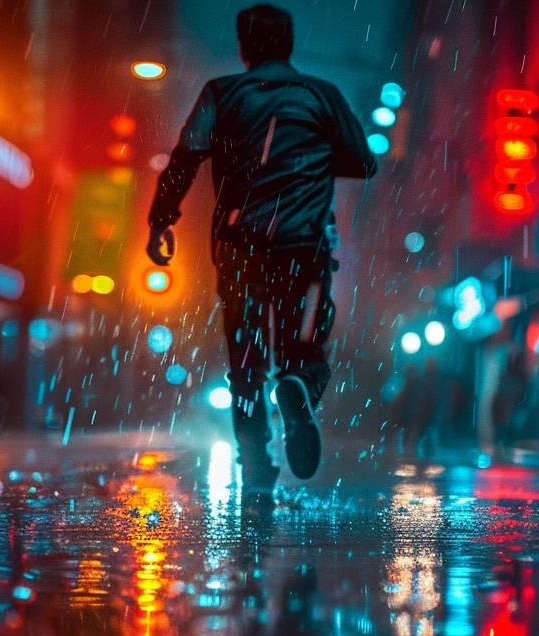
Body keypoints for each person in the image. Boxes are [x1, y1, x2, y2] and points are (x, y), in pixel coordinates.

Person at [146, 3, 377, 499]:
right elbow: (364, 163)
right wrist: (314, 157)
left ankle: (256, 460)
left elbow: (185, 159)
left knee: (245, 358)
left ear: (244, 47)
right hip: (303, 247)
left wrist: (161, 220)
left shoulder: (221, 94)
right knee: (306, 344)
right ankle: (299, 385)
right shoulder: (323, 95)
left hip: (238, 245)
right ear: (290, 45)